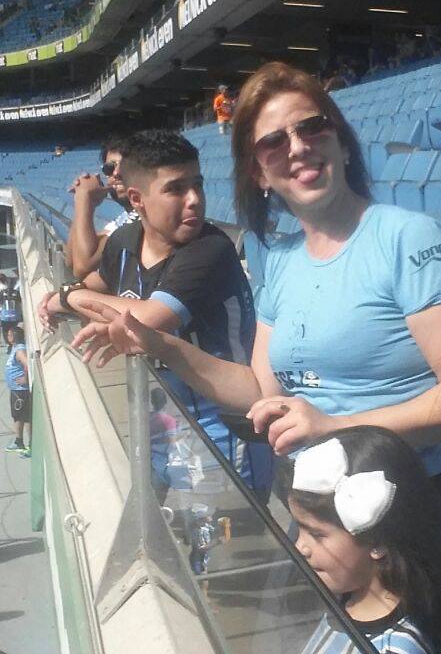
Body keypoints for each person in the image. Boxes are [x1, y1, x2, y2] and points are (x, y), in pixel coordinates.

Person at [86, 63, 441, 617]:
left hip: (407, 521)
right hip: (317, 522)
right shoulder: (278, 260)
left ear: (342, 143)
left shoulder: (407, 238)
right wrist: (157, 344)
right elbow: (260, 389)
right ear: (258, 172)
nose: (297, 148)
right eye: (274, 142)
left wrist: (335, 428)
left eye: (312, 128)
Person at [44, 129, 271, 495]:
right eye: (176, 189)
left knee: (227, 549)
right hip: (163, 422)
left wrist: (68, 299)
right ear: (137, 199)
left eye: (197, 185)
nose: (195, 200)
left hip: (225, 432)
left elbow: (144, 321)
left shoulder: (209, 250)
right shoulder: (122, 242)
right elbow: (90, 281)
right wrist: (71, 294)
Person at [290, 428, 441, 654]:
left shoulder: (394, 648)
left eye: (317, 535)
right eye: (299, 528)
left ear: (377, 543)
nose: (299, 547)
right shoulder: (343, 602)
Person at [64, 135, 138, 280]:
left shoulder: (141, 218)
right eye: (109, 168)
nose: (116, 174)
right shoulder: (125, 217)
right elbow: (72, 259)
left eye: (124, 166)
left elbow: (82, 268)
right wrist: (87, 202)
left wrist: (83, 198)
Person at [3, 326, 32, 457]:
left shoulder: (20, 350)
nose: (8, 337)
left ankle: (30, 445)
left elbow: (27, 364)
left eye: (10, 334)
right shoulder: (15, 348)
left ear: (15, 336)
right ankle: (18, 441)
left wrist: (25, 379)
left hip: (21, 391)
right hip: (15, 390)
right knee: (17, 416)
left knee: (25, 418)